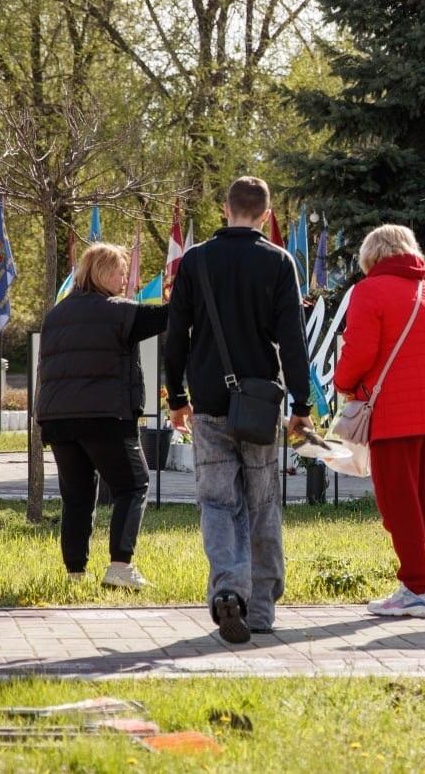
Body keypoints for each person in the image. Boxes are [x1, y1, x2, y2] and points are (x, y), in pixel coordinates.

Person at [165, 177, 314, 644]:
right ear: (267, 215)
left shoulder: (196, 260)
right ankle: (262, 609)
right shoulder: (278, 261)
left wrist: (176, 397)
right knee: (262, 502)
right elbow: (292, 338)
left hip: (208, 402)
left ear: (225, 208)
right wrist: (302, 405)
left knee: (217, 501)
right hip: (259, 404)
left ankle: (229, 587)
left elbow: (176, 335)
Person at [333, 225, 425, 618]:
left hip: (395, 413)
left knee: (398, 503)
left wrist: (342, 382)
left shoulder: (368, 291)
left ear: (371, 256)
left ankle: (415, 589)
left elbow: (360, 350)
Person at [36, 243, 168, 589]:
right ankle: (121, 567)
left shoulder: (56, 314)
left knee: (77, 496)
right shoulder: (119, 311)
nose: (125, 279)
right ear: (104, 272)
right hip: (105, 416)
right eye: (121, 271)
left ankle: (75, 573)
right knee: (133, 484)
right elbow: (166, 317)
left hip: (57, 419)